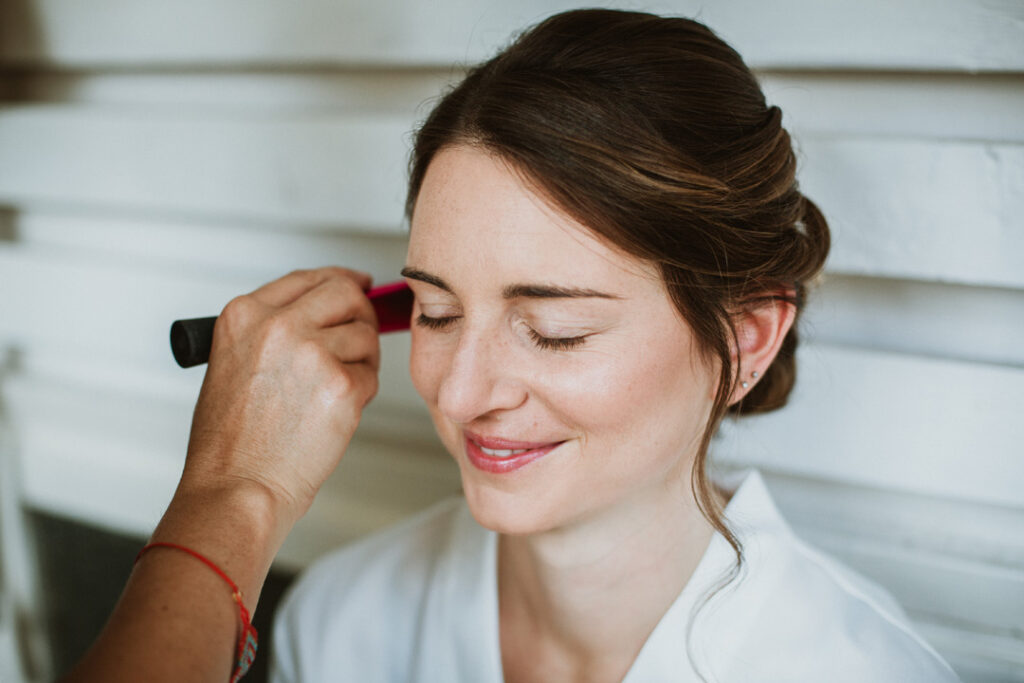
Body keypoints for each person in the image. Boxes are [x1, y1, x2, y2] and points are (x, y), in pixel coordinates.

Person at [63, 8, 960, 683]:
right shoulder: (339, 625)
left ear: (745, 339)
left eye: (554, 329)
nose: (458, 394)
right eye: (437, 313)